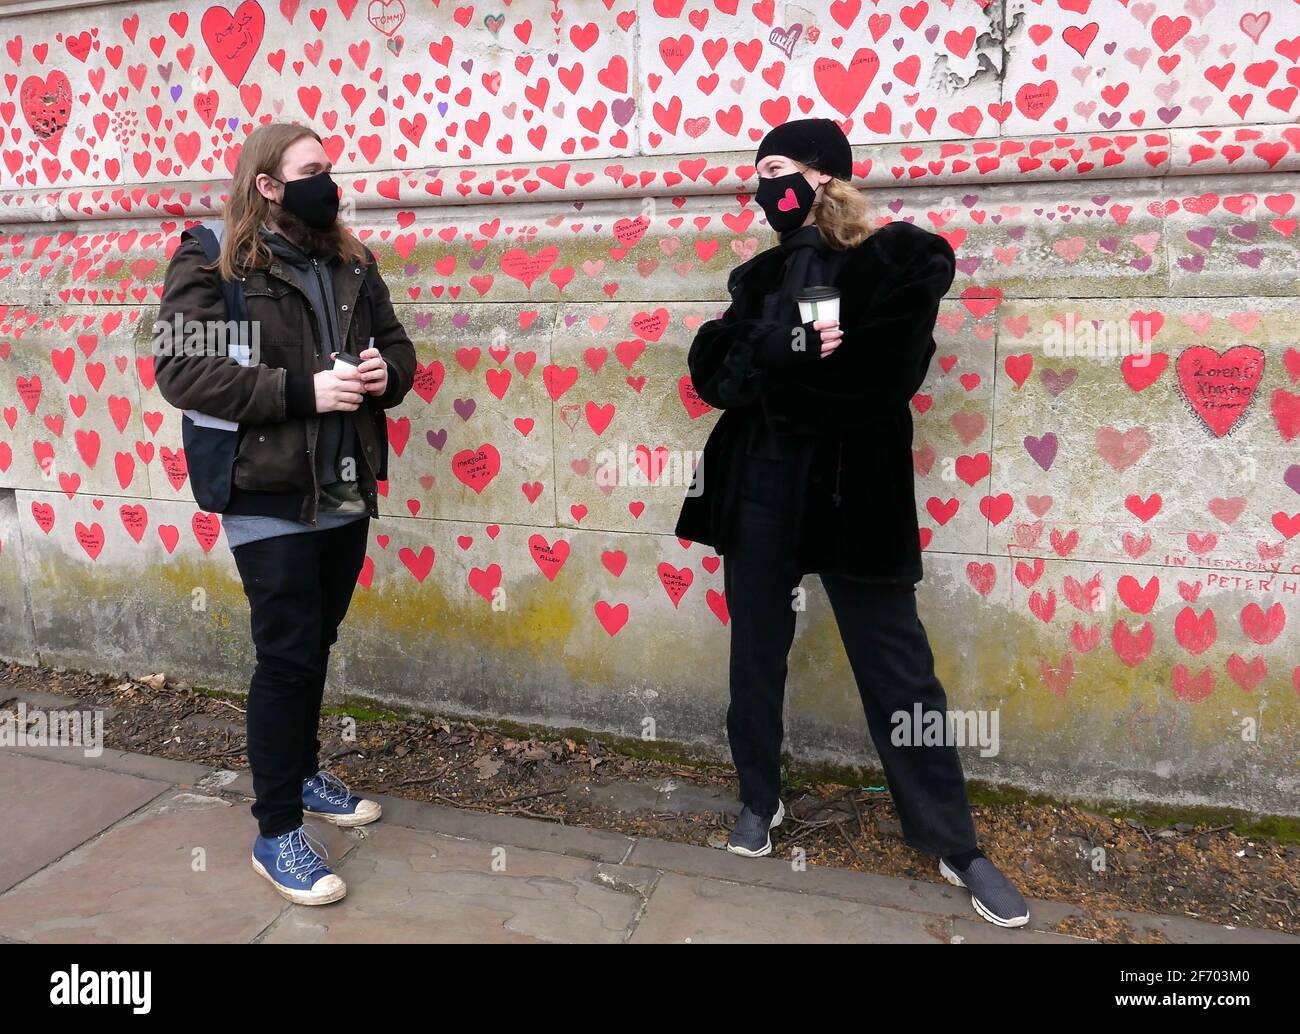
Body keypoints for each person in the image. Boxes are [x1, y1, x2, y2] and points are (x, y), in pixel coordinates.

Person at [675, 117, 1029, 928]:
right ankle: (760, 798)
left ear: (822, 175)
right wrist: (788, 347)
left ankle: (953, 842)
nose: (764, 188)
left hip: (853, 493)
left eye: (776, 170)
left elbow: (882, 378)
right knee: (756, 649)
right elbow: (711, 374)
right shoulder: (757, 275)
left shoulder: (900, 258)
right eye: (757, 174)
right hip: (761, 484)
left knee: (898, 666)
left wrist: (772, 368)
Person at [155, 122, 416, 906]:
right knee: (288, 651)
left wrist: (382, 373)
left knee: (318, 636)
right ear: (267, 184)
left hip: (343, 484)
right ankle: (276, 831)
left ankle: (303, 773)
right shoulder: (218, 260)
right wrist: (299, 392)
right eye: (311, 171)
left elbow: (401, 347)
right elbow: (186, 370)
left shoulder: (350, 260)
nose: (327, 183)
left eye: (329, 170)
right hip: (265, 489)